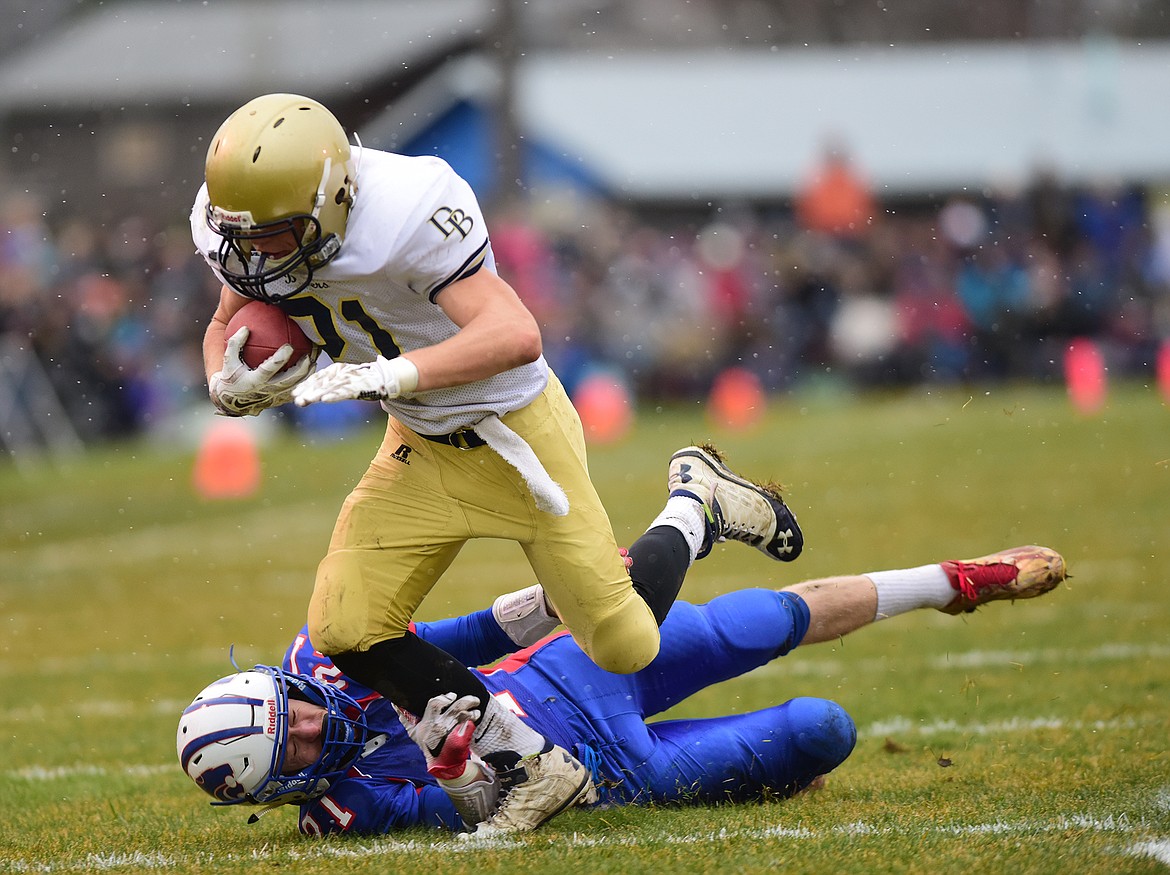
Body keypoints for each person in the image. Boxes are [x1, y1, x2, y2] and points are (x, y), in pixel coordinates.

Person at [189, 93, 803, 835]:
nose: (260, 257)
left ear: (333, 199)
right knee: (345, 626)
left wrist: (393, 374)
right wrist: (226, 383)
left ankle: (695, 504)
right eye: (246, 241)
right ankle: (533, 764)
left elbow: (516, 332)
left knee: (625, 642)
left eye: (279, 237)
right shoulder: (254, 225)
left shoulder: (410, 209)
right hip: (419, 446)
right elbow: (229, 317)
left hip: (515, 437)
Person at [177, 544, 1067, 836]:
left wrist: (546, 601)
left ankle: (949, 581)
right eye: (288, 744)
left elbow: (470, 639)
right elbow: (499, 802)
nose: (303, 721)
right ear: (285, 786)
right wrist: (455, 773)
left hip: (571, 667)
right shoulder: (350, 807)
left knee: (752, 623)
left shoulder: (331, 655)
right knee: (821, 729)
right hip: (611, 771)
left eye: (283, 705)